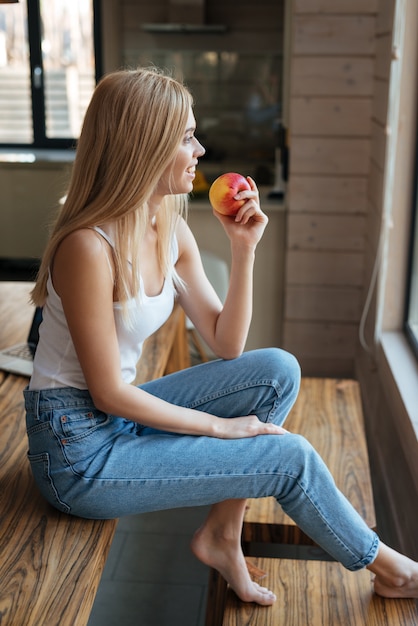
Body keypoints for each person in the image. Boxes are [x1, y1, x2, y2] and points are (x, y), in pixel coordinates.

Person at [24, 67, 418, 606]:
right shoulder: (88, 247)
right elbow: (107, 394)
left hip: (116, 418)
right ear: (145, 144)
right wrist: (221, 428)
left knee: (277, 369)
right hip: (76, 451)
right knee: (288, 458)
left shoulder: (168, 225)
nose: (200, 149)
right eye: (186, 137)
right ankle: (393, 569)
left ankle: (222, 535)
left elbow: (226, 344)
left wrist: (243, 249)